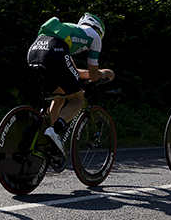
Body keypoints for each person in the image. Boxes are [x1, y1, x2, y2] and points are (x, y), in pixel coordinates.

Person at [26, 12, 115, 154]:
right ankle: (55, 130)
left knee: (59, 96)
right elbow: (93, 74)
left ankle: (52, 142)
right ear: (99, 30)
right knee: (78, 100)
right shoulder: (95, 37)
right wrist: (106, 73)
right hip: (55, 50)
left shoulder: (71, 33)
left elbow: (74, 72)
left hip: (35, 50)